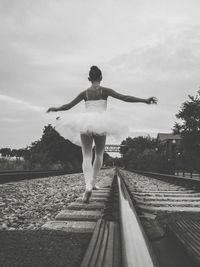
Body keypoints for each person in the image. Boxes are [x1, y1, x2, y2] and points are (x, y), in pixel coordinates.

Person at [47, 66, 157, 203]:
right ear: (101, 78)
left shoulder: (85, 93)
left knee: (86, 155)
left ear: (89, 79)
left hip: (85, 123)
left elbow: (68, 106)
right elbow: (125, 97)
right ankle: (92, 182)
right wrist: (145, 100)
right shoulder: (105, 91)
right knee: (99, 154)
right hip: (101, 122)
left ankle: (88, 185)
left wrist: (55, 108)